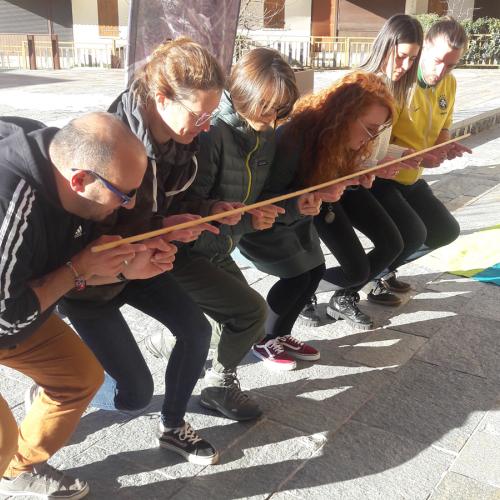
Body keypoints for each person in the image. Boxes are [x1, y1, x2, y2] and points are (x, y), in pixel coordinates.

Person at [60, 38, 225, 465]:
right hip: (88, 283)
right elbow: (82, 233)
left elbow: (158, 209)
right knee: (133, 395)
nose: (207, 125)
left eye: (212, 114)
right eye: (200, 114)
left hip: (136, 262)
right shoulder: (111, 138)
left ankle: (173, 426)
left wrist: (186, 219)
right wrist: (131, 257)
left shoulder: (182, 141)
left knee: (196, 330)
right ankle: (62, 384)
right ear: (162, 96)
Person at [0, 113, 153, 499]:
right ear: (80, 180)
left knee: (81, 376)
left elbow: (76, 265)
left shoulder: (62, 154)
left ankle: (17, 469)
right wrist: (77, 269)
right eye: (124, 194)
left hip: (15, 298)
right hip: (5, 313)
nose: (130, 203)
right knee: (0, 439)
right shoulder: (11, 203)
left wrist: (126, 270)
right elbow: (5, 323)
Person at [147, 48, 305, 417]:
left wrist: (279, 211)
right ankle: (218, 384)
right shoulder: (212, 132)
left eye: (282, 110)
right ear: (245, 94)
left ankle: (172, 341)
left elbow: (255, 200)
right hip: (185, 251)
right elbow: (190, 205)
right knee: (250, 313)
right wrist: (234, 218)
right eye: (268, 107)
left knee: (247, 321)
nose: (274, 118)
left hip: (218, 246)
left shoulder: (263, 134)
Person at [238, 71, 395, 356]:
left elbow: (324, 180)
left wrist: (354, 177)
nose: (371, 137)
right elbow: (263, 197)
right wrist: (300, 203)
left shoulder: (334, 138)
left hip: (297, 218)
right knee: (296, 276)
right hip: (267, 224)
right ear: (345, 114)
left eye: (378, 130)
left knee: (315, 271)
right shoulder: (295, 137)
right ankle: (264, 339)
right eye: (370, 128)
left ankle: (282, 334)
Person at [300, 14, 424, 330]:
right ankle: (299, 293)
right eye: (402, 55)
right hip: (327, 181)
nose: (406, 64)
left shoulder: (392, 88)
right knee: (355, 263)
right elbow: (335, 143)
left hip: (354, 182)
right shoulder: (359, 85)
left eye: (413, 59)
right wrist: (369, 168)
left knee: (393, 243)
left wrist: (397, 156)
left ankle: (341, 296)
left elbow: (370, 150)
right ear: (385, 45)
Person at [371, 17, 471, 285]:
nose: (441, 72)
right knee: (411, 234)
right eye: (438, 61)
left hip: (412, 175)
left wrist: (444, 147)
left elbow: (444, 127)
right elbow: (374, 144)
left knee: (445, 231)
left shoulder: (449, 84)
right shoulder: (398, 82)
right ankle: (350, 287)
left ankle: (381, 271)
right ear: (424, 46)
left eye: (451, 65)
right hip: (383, 176)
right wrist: (413, 155)